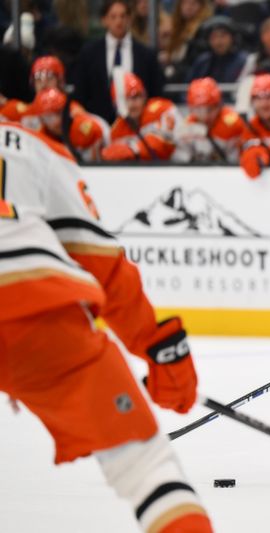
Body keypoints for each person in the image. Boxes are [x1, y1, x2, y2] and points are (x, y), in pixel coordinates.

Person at [0, 120, 214, 533]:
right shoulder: (35, 147)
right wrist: (160, 346)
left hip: (36, 309)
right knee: (146, 468)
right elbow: (101, 264)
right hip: (38, 314)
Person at [70, 0, 164, 124]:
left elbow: (155, 94)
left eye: (123, 16)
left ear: (130, 19)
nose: (118, 21)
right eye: (113, 17)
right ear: (104, 20)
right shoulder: (89, 54)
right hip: (98, 126)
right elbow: (80, 94)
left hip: (138, 126)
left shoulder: (146, 55)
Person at [102, 72, 182, 161]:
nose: (131, 104)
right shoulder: (116, 130)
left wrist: (133, 149)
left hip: (174, 169)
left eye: (136, 97)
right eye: (126, 99)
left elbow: (165, 145)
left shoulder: (163, 109)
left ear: (144, 96)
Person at [172, 77, 246, 162]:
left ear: (219, 106)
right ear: (191, 108)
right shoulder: (186, 127)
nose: (205, 115)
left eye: (210, 109)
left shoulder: (234, 123)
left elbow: (236, 162)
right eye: (198, 109)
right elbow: (180, 162)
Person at [28, 88, 110, 162]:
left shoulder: (83, 129)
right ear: (41, 118)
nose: (57, 120)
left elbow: (94, 166)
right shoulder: (40, 136)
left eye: (58, 113)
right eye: (49, 117)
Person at [186, 15, 248, 84]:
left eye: (223, 36)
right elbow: (188, 87)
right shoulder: (203, 62)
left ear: (233, 37)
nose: (219, 41)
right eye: (214, 37)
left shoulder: (243, 61)